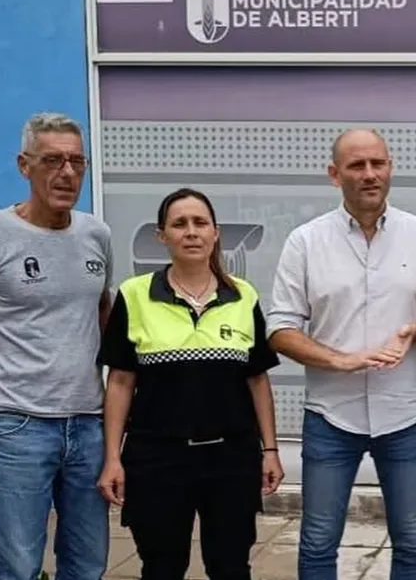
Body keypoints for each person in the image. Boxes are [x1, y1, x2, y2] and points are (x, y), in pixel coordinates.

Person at [266, 128, 416, 580]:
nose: (370, 174)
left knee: (412, 541)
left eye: (378, 163)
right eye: (357, 165)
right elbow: (280, 328)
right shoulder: (306, 241)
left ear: (390, 167)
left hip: (404, 414)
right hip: (331, 415)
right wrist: (339, 360)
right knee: (318, 541)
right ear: (334, 174)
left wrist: (414, 330)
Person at [96, 187, 284, 580]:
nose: (191, 232)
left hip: (231, 458)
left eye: (200, 223)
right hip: (157, 459)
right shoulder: (134, 295)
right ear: (162, 236)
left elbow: (257, 379)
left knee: (231, 568)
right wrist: (113, 457)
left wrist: (270, 450)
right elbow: (120, 382)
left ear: (216, 233)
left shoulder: (242, 296)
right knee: (161, 568)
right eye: (179, 224)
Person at [0, 112, 113, 579]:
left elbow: (106, 326)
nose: (67, 173)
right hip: (18, 428)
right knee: (17, 567)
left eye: (76, 161)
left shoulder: (96, 234)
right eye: (52, 160)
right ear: (23, 165)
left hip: (89, 427)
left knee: (87, 565)